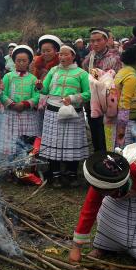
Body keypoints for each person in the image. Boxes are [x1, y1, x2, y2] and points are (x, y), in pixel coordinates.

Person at [39, 45, 91, 188]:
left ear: (73, 56)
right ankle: (55, 175)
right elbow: (45, 88)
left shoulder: (82, 73)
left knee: (72, 142)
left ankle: (72, 175)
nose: (61, 57)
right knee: (54, 143)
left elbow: (88, 93)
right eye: (60, 55)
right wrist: (39, 86)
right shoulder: (53, 70)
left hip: (72, 112)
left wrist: (72, 98)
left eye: (65, 54)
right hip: (53, 110)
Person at [82, 27, 123, 152]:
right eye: (92, 41)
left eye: (98, 40)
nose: (95, 43)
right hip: (93, 105)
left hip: (110, 104)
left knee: (109, 138)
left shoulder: (116, 58)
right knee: (96, 136)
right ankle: (98, 161)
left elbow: (118, 80)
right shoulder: (88, 59)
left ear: (106, 40)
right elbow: (86, 79)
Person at [0, 45, 41, 158]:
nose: (21, 63)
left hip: (28, 115)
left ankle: (26, 163)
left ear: (29, 62)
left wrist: (25, 104)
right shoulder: (8, 77)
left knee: (26, 140)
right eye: (18, 60)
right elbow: (2, 93)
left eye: (24, 61)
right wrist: (12, 104)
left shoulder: (33, 79)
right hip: (11, 114)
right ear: (14, 61)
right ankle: (10, 164)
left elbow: (37, 95)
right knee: (10, 141)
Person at [112, 42, 136, 150]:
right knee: (127, 152)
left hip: (120, 120)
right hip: (128, 122)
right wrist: (122, 127)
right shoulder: (132, 77)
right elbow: (124, 102)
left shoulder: (122, 72)